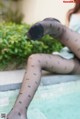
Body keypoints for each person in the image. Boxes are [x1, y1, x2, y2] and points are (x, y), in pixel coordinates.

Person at [7, 17, 80, 119]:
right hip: (72, 58)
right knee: (35, 59)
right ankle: (18, 113)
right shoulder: (73, 13)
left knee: (63, 31)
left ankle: (55, 28)